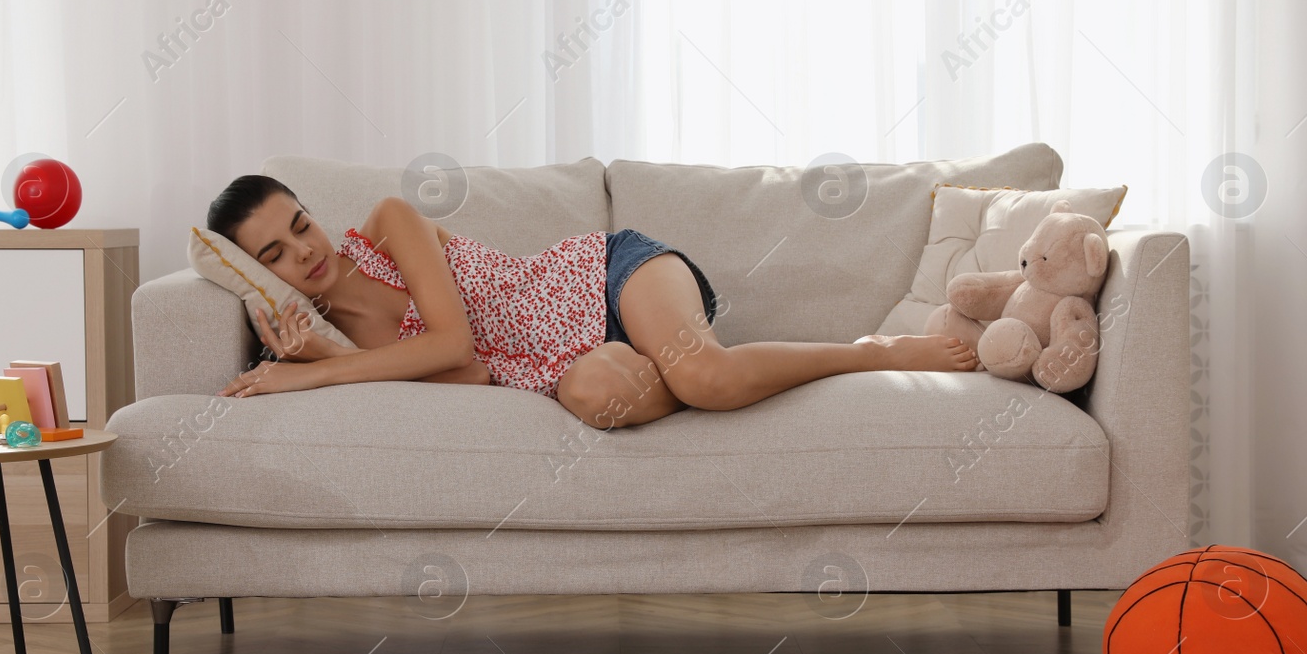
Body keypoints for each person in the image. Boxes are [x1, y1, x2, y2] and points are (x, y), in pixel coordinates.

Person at [207, 174, 978, 428]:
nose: (304, 252)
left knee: (704, 377)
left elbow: (450, 346)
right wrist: (318, 355)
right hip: (567, 359)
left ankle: (872, 353)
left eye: (299, 225)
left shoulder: (389, 224)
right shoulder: (331, 346)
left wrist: (311, 375)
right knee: (598, 396)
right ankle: (676, 372)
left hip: (607, 275)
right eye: (273, 254)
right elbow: (473, 379)